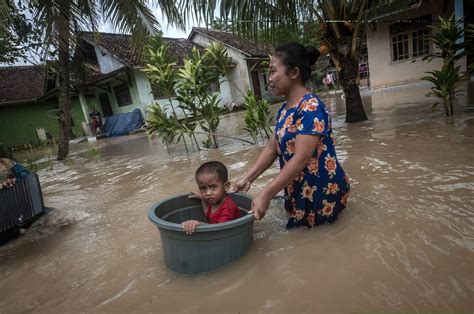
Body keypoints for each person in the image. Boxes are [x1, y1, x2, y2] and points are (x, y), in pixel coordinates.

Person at [234, 43, 350, 228]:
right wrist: (248, 178)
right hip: (297, 189)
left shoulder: (310, 108)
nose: (269, 79)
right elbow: (273, 148)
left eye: (273, 72)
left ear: (294, 73)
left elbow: (301, 159)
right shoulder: (285, 110)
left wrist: (266, 193)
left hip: (320, 193)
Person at [181, 161, 241, 234]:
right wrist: (202, 199)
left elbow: (220, 230)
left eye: (213, 187)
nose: (208, 193)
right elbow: (208, 214)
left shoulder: (228, 208)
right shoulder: (214, 201)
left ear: (226, 186)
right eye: (203, 188)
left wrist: (199, 225)